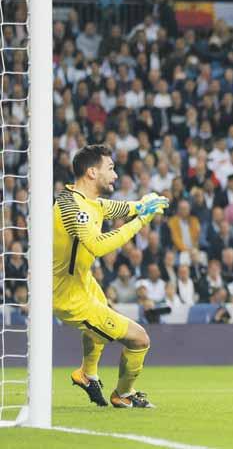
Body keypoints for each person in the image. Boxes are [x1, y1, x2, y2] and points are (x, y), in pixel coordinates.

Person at [53, 145, 168, 408]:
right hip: (67, 296)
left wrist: (143, 204)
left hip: (82, 284)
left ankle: (87, 374)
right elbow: (97, 246)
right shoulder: (73, 208)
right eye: (111, 168)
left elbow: (121, 207)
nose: (115, 175)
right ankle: (123, 395)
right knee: (139, 339)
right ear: (92, 172)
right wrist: (140, 222)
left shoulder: (89, 201)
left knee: (101, 319)